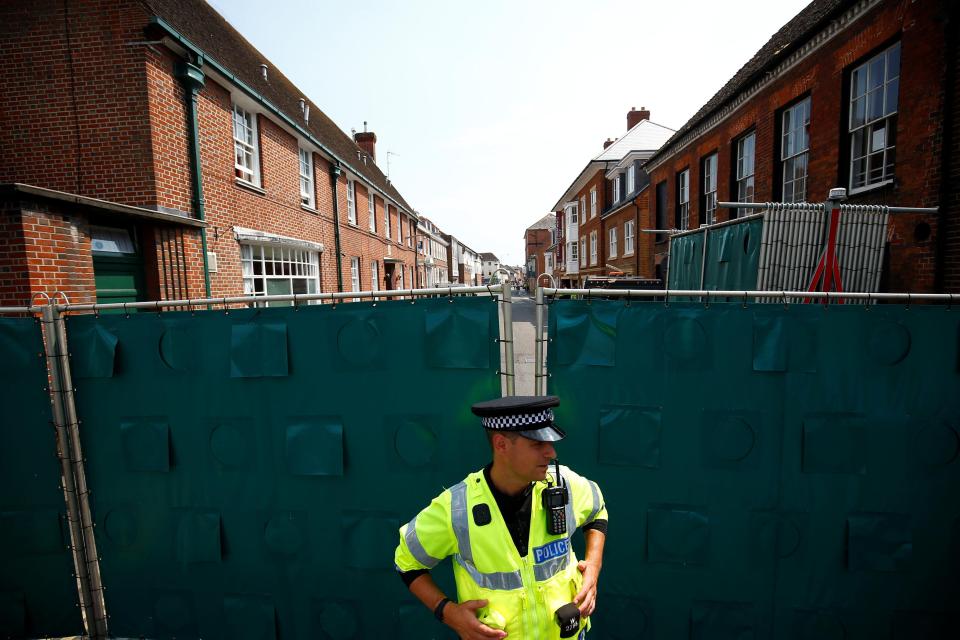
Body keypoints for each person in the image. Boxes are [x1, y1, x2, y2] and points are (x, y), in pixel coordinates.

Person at [394, 395, 608, 639]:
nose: (551, 452)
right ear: (501, 444)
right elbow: (407, 563)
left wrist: (593, 567)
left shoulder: (565, 484)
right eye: (537, 444)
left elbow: (597, 512)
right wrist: (448, 612)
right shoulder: (457, 509)